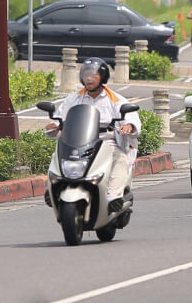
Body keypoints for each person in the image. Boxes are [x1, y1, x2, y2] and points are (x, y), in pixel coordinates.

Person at [45, 58, 141, 214]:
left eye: (93, 75)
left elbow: (131, 118)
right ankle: (51, 188)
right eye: (86, 74)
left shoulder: (114, 99)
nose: (88, 78)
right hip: (79, 141)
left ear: (102, 77)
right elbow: (59, 117)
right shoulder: (74, 98)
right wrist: (54, 126)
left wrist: (128, 126)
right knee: (57, 155)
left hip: (107, 142)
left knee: (120, 158)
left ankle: (113, 196)